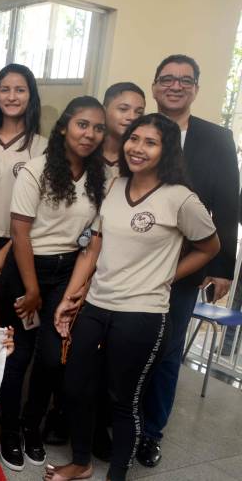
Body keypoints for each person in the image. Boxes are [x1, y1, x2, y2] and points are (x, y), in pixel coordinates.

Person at [48, 113, 220, 481]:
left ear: (166, 150)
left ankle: (118, 476)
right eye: (134, 138)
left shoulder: (180, 199)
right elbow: (94, 247)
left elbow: (209, 247)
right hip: (97, 305)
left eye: (150, 142)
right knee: (76, 385)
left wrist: (167, 276)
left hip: (141, 314)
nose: (138, 148)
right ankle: (81, 462)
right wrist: (71, 295)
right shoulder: (114, 186)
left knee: (123, 400)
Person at [137, 55, 239, 468]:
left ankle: (151, 432)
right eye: (167, 79)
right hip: (133, 259)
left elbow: (228, 204)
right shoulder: (139, 130)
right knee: (128, 345)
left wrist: (222, 268)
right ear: (155, 86)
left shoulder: (216, 138)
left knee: (166, 350)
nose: (175, 86)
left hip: (183, 265)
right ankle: (118, 420)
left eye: (185, 80)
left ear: (196, 87)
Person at [0, 96, 106, 472]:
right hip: (27, 269)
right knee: (19, 355)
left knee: (51, 358)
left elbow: (94, 236)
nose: (90, 134)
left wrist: (76, 287)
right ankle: (9, 431)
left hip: (67, 272)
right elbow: (20, 233)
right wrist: (31, 290)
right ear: (64, 127)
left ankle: (32, 427)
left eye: (97, 128)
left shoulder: (99, 177)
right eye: (82, 125)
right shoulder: (37, 170)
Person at [0, 64, 47, 276]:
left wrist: (7, 250)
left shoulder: (43, 148)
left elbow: (42, 212)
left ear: (31, 96)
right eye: (5, 90)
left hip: (16, 243)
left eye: (20, 90)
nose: (12, 97)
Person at [101, 82, 146, 182]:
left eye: (139, 112)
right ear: (104, 111)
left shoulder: (142, 160)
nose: (132, 117)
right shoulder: (86, 151)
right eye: (123, 109)